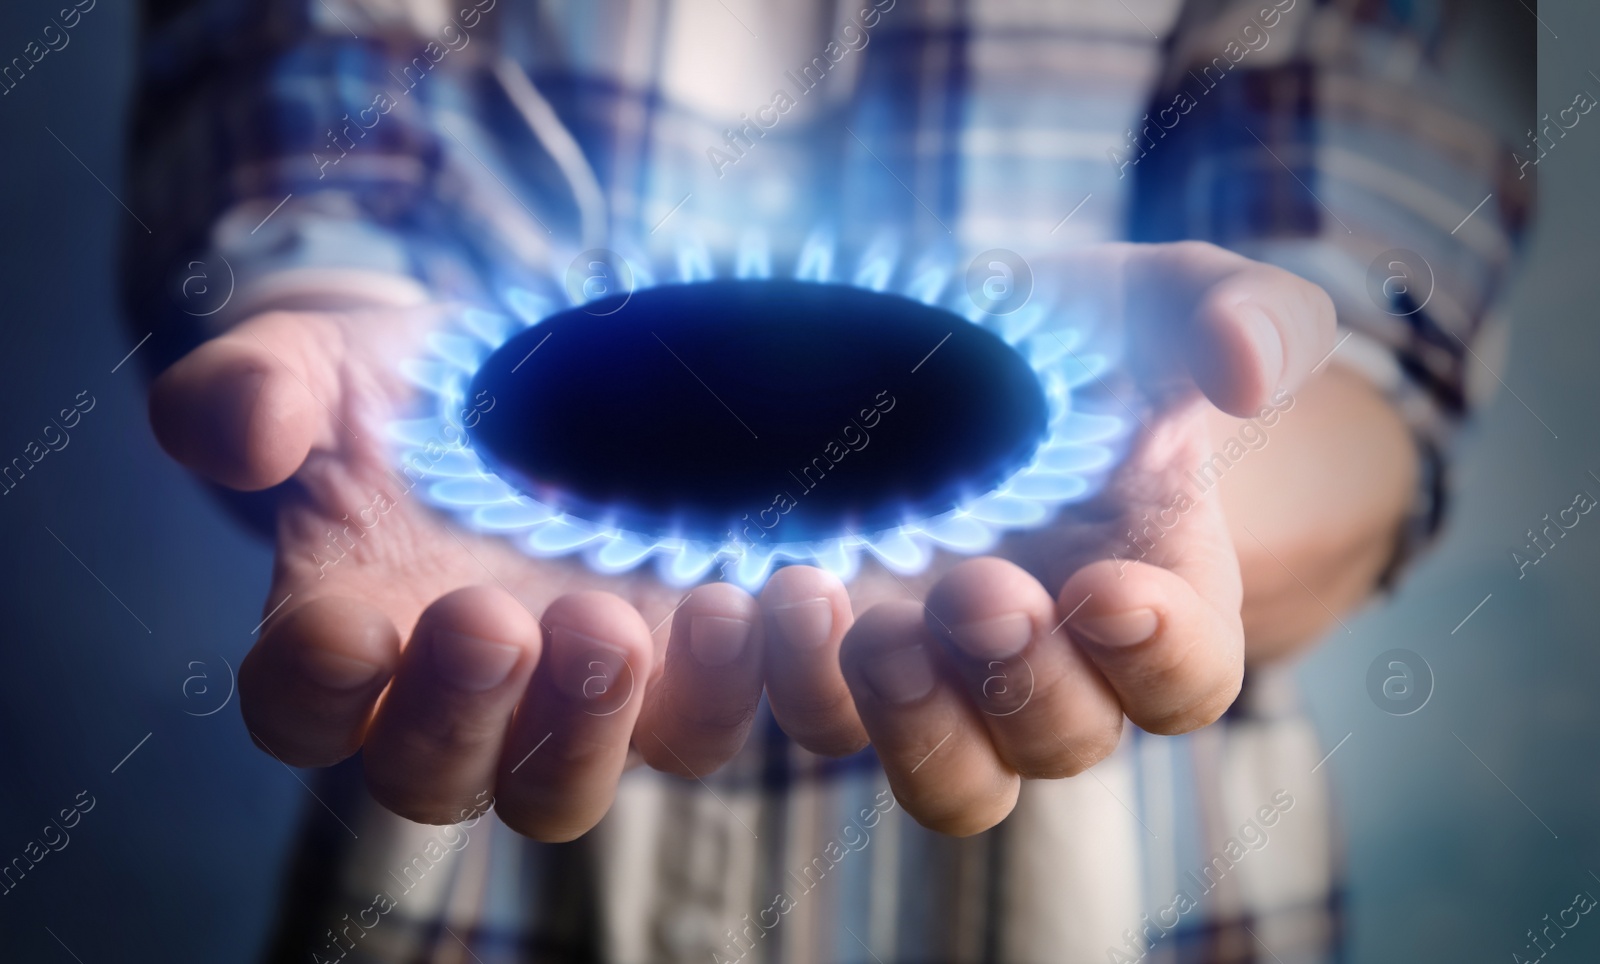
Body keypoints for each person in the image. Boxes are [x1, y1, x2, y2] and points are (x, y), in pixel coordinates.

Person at [126, 0, 1527, 961]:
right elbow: (304, 129)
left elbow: (1370, 301)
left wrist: (1191, 476)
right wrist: (335, 374)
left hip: (1133, 896)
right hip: (471, 883)